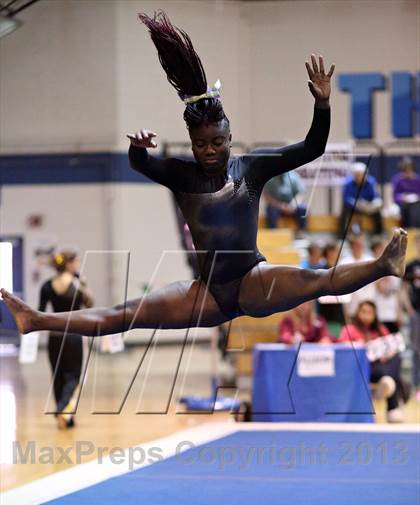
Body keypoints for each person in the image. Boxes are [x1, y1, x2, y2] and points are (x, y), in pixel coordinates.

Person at [0, 11, 408, 344]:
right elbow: (142, 166)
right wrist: (137, 149)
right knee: (124, 315)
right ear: (191, 142)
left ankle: (383, 265)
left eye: (217, 142)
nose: (209, 151)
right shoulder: (182, 175)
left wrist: (322, 106)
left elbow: (311, 148)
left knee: (320, 281)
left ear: (231, 138)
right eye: (200, 144)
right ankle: (35, 320)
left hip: (252, 279)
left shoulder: (253, 168)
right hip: (206, 292)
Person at [38, 251, 93, 429]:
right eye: (75, 262)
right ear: (68, 264)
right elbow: (89, 304)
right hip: (73, 335)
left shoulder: (47, 285)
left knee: (58, 375)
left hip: (54, 336)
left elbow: (41, 312)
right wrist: (84, 284)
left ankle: (65, 416)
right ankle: (62, 408)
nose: (77, 265)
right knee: (74, 376)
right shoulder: (77, 284)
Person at [338, 301, 405, 423]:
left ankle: (384, 385)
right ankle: (392, 405)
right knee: (388, 374)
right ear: (358, 313)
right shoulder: (349, 329)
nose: (366, 315)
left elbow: (391, 346)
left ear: (375, 315)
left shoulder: (380, 329)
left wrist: (388, 354)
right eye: (364, 312)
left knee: (396, 358)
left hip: (382, 366)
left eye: (370, 312)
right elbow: (342, 350)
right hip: (362, 370)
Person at [339, 162, 383, 236]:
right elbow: (346, 198)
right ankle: (342, 235)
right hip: (354, 206)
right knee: (344, 210)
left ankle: (378, 234)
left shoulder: (371, 182)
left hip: (367, 206)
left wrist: (374, 203)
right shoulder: (348, 183)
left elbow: (375, 196)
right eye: (357, 175)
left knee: (378, 212)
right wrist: (356, 203)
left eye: (361, 175)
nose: (359, 177)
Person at [401, 233, 420, 400]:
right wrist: (409, 309)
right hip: (416, 314)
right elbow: (404, 288)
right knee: (416, 350)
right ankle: (416, 387)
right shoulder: (412, 266)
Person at [371, 237, 402, 333]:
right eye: (380, 249)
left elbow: (397, 293)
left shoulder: (395, 268)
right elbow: (381, 289)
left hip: (392, 314)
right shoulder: (372, 268)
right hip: (379, 314)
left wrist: (399, 312)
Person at [391, 156, 420, 228]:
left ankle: (414, 229)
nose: (408, 172)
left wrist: (416, 197)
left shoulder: (417, 180)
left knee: (415, 209)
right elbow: (395, 196)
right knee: (406, 209)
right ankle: (406, 229)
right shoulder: (397, 180)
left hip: (416, 203)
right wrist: (402, 197)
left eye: (410, 170)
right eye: (406, 170)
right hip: (402, 204)